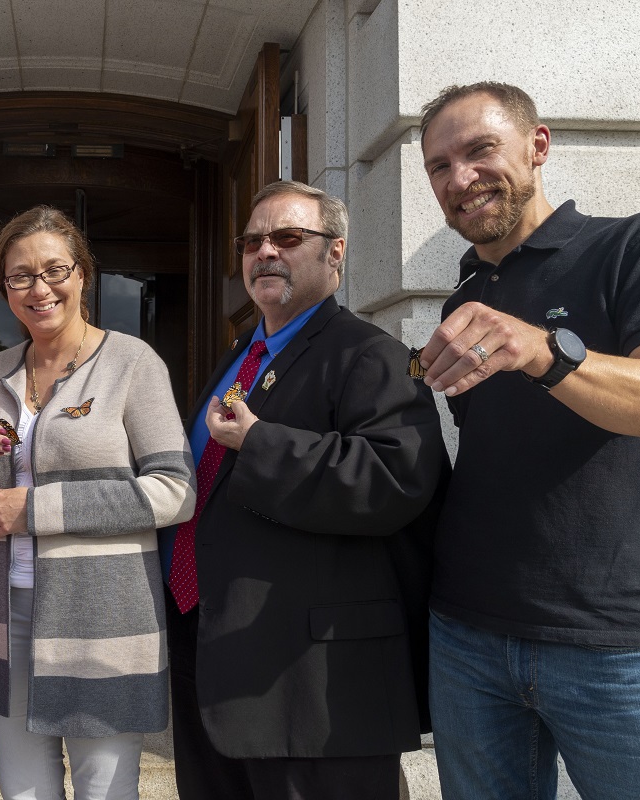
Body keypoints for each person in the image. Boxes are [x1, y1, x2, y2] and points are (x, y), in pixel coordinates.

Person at [415, 82, 640, 799]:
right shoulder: (464, 295)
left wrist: (546, 351)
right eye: (439, 166)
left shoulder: (637, 243)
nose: (459, 178)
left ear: (538, 146)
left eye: (479, 151)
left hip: (621, 644)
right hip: (467, 631)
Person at [163, 181, 449, 800]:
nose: (265, 252)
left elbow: (396, 480)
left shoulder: (372, 355)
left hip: (313, 688)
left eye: (288, 238)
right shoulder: (244, 354)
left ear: (335, 254)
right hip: (212, 659)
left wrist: (262, 443)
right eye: (252, 241)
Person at [0, 206, 195, 800]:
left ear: (83, 275)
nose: (39, 289)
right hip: (3, 614)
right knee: (24, 793)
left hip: (103, 620)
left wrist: (37, 511)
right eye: (19, 277)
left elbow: (176, 491)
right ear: (3, 288)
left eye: (54, 270)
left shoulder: (132, 362)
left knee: (104, 793)